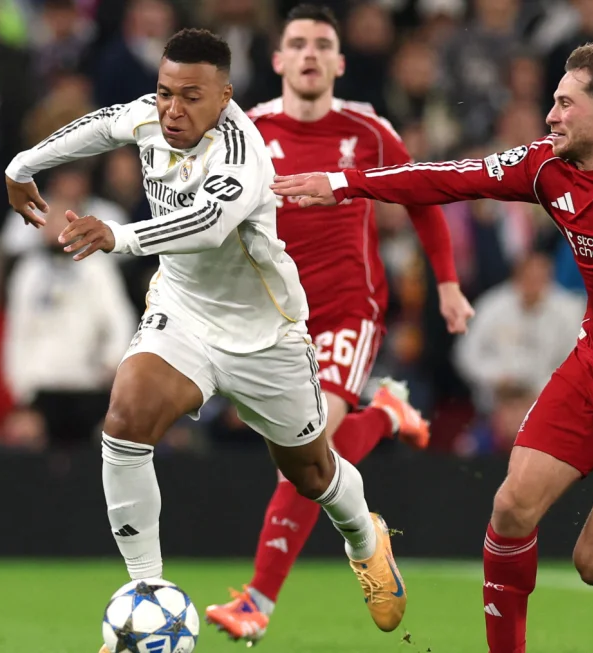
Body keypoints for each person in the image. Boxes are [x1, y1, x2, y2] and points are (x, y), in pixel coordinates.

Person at [275, 42, 593, 653]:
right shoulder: (547, 166)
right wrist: (343, 183)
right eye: (553, 102)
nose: (551, 115)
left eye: (565, 104)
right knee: (512, 508)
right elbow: (448, 177)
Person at [1, 29, 408, 651]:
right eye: (165, 92)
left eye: (191, 97)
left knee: (311, 472)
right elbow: (105, 123)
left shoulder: (245, 154)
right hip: (184, 313)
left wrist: (120, 236)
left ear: (225, 96)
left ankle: (364, 538)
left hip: (264, 335)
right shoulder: (152, 115)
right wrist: (22, 165)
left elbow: (208, 225)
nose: (172, 109)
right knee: (126, 418)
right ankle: (146, 591)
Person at [203, 5, 474, 644]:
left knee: (305, 453)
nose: (310, 54)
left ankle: (258, 601)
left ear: (339, 62)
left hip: (350, 308)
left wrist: (446, 282)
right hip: (273, 320)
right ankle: (384, 413)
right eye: (297, 43)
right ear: (277, 60)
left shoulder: (369, 130)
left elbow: (421, 194)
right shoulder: (244, 131)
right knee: (304, 462)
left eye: (322, 44)